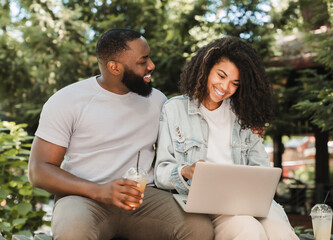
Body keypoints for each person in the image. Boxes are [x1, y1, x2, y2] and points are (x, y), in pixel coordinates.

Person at [28, 28, 214, 240]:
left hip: (143, 198)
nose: (151, 65)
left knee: (198, 228)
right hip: (83, 197)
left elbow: (189, 133)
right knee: (73, 233)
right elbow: (38, 170)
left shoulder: (157, 101)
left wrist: (247, 123)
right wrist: (99, 191)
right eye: (142, 61)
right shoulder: (67, 100)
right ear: (114, 67)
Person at [154, 37, 300, 240]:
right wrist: (185, 171)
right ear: (206, 67)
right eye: (221, 76)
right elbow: (160, 172)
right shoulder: (174, 109)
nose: (224, 87)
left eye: (234, 83)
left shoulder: (244, 114)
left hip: (248, 199)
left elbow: (262, 168)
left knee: (281, 233)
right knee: (248, 230)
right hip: (208, 203)